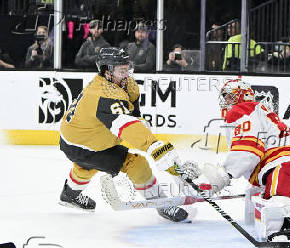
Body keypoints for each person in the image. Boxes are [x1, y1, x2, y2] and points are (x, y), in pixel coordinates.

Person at [59, 47, 194, 222]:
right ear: (107, 71)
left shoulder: (125, 84)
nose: (127, 74)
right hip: (84, 144)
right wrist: (152, 145)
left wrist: (140, 126)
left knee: (87, 166)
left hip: (75, 139)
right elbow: (126, 125)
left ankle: (69, 194)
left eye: (128, 68)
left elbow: (131, 116)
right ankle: (162, 204)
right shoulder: (103, 94)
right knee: (136, 164)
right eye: (121, 70)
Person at [195, 79, 290, 242]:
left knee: (276, 207)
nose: (226, 101)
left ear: (240, 94)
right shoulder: (259, 109)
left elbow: (248, 149)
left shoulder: (240, 110)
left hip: (286, 164)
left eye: (229, 96)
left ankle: (285, 227)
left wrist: (224, 175)